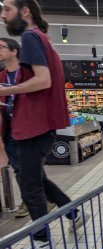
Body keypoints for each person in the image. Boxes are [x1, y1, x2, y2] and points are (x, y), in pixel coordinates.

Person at [0, 0, 89, 249]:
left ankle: (40, 241)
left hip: (34, 125)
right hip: (38, 125)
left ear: (25, 11)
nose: (3, 15)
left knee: (30, 187)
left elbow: (43, 80)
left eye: (7, 9)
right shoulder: (40, 38)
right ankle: (74, 213)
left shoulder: (30, 37)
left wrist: (7, 91)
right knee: (37, 181)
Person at [0, 37, 56, 218]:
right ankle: (40, 203)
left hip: (30, 129)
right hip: (10, 130)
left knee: (32, 173)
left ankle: (58, 208)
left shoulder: (29, 74)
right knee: (22, 170)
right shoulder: (1, 76)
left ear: (14, 50)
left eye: (1, 47)